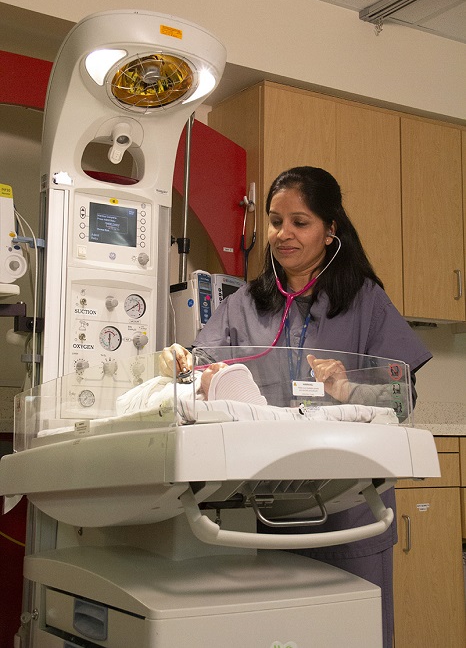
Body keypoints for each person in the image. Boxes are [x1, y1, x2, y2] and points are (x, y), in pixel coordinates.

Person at [162, 166, 432, 648]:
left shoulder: (366, 302)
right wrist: (182, 364)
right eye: (274, 220)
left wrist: (349, 388)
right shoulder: (246, 304)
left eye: (299, 222)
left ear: (331, 230)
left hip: (350, 509)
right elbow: (204, 370)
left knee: (352, 633)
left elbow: (402, 398)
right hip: (268, 512)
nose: (282, 234)